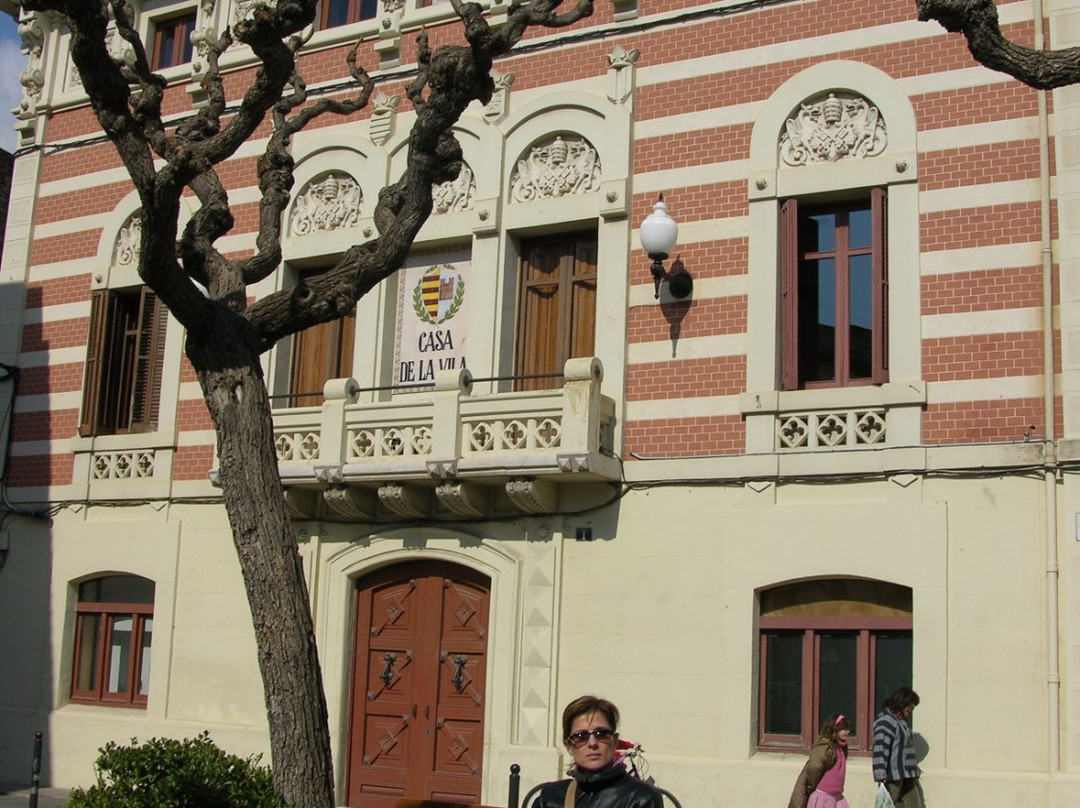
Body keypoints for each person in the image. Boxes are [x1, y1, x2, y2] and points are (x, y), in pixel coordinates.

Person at [531, 695, 662, 808]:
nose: (592, 743)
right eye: (581, 736)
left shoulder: (641, 798)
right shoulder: (550, 798)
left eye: (601, 734)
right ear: (569, 746)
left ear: (615, 741)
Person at [872, 686, 923, 808]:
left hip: (908, 774)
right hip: (893, 776)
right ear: (902, 702)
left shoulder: (901, 721)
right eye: (911, 706)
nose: (912, 709)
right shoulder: (885, 721)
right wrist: (881, 775)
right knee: (889, 805)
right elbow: (880, 749)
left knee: (915, 805)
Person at [788, 713, 851, 808]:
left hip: (837, 797)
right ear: (834, 730)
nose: (848, 732)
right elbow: (814, 768)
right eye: (844, 729)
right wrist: (811, 787)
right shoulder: (826, 748)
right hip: (823, 797)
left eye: (847, 729)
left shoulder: (841, 748)